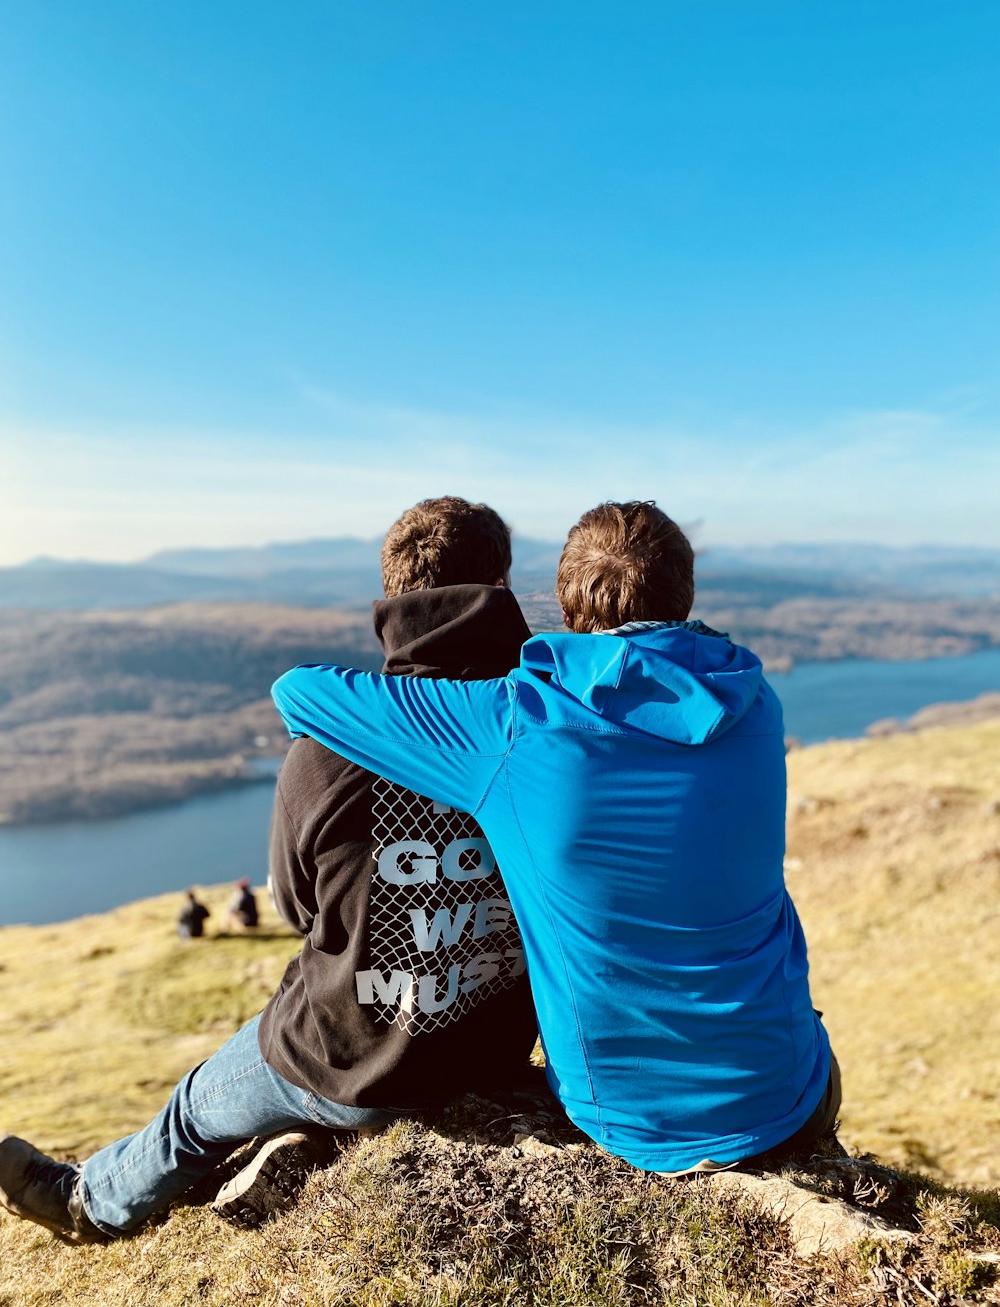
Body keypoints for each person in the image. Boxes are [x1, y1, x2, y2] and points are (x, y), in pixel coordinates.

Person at [0, 497, 537, 1243]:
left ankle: (85, 1201)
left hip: (351, 1061)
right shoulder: (543, 735)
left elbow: (299, 907)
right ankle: (294, 1141)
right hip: (490, 1047)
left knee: (192, 1109)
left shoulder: (325, 752)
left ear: (388, 599)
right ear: (501, 584)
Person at [266, 500, 839, 1175]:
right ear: (684, 593)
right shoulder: (750, 702)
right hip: (794, 1090)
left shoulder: (519, 724)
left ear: (566, 604)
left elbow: (299, 691)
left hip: (630, 1121)